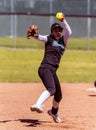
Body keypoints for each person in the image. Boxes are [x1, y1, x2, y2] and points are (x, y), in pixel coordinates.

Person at [26, 12, 72, 123]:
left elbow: (69, 32)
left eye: (60, 30)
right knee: (51, 89)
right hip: (45, 68)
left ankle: (54, 112)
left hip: (53, 71)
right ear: (52, 32)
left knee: (59, 95)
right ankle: (37, 104)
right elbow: (39, 37)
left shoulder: (63, 41)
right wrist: (34, 35)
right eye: (55, 30)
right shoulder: (49, 39)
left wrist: (63, 21)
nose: (58, 32)